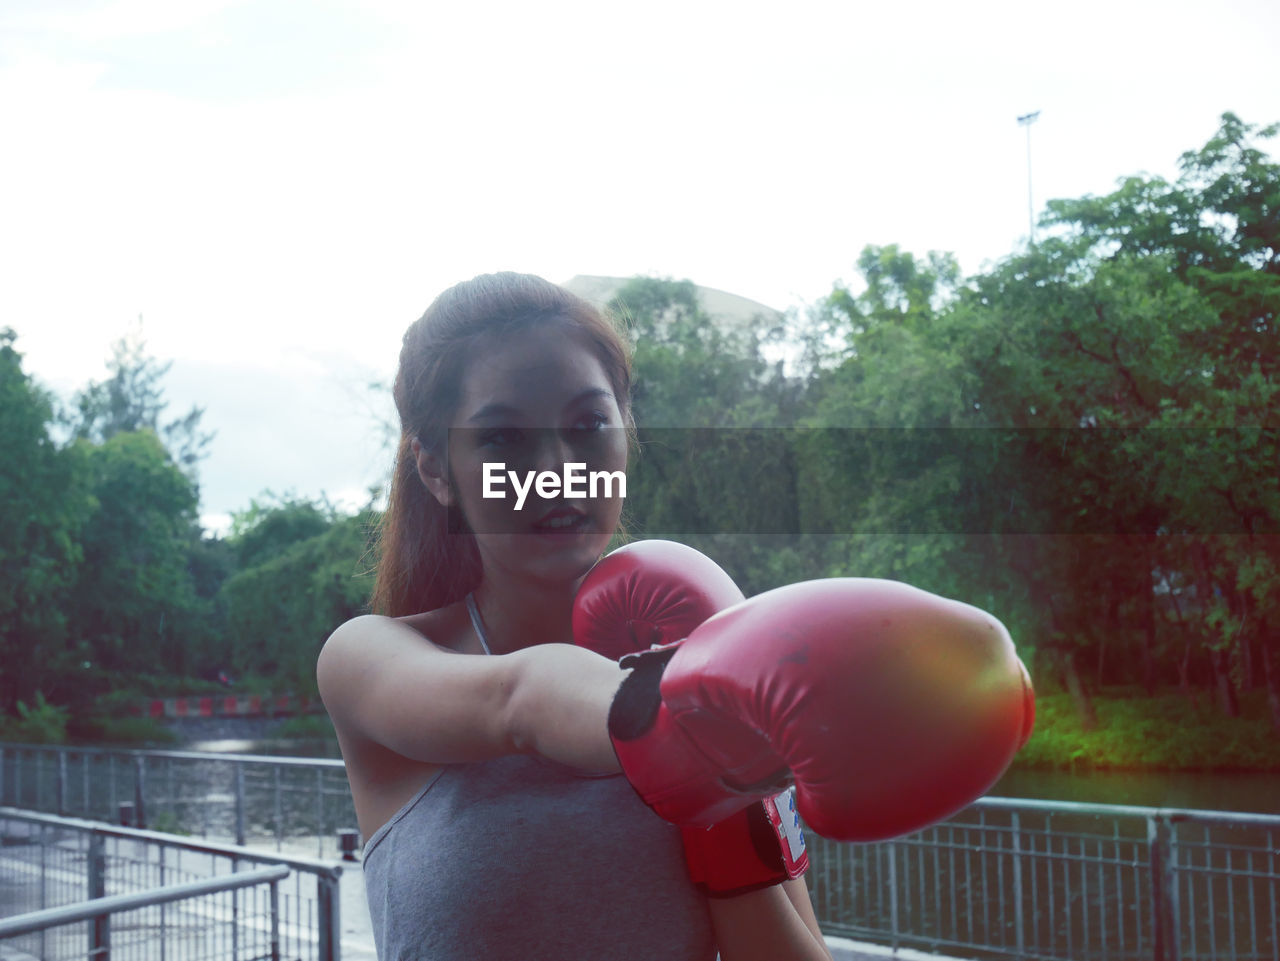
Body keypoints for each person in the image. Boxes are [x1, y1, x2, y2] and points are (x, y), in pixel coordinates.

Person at [317, 272, 834, 961]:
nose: (558, 469)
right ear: (438, 470)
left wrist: (721, 803)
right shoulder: (370, 657)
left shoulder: (703, 660)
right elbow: (519, 701)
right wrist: (695, 724)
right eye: (503, 438)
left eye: (588, 424)